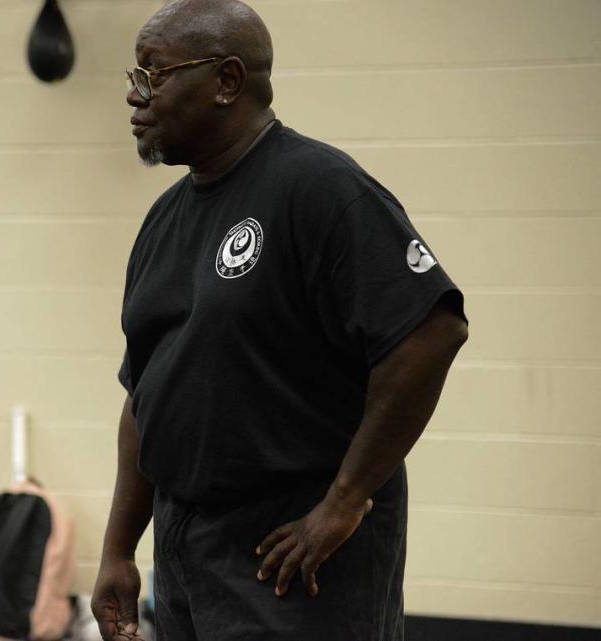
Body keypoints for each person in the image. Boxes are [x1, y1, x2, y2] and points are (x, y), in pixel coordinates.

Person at [91, 1, 469, 640]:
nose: (136, 98)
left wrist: (344, 502)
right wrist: (119, 548)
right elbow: (144, 398)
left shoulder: (320, 187)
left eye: (153, 77)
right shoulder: (163, 220)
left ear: (227, 82)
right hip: (186, 550)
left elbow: (431, 333)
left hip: (290, 553)